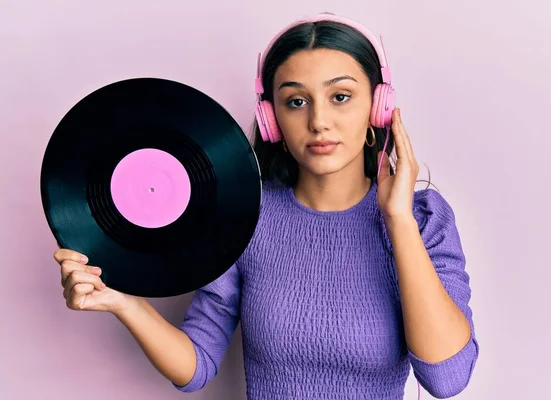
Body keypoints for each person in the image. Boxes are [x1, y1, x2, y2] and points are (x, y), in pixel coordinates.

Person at [54, 13, 479, 399]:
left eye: (341, 96)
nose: (318, 121)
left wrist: (398, 219)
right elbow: (195, 366)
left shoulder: (422, 217)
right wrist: (123, 302)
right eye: (296, 101)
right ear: (271, 118)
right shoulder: (247, 216)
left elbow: (446, 379)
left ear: (379, 107)